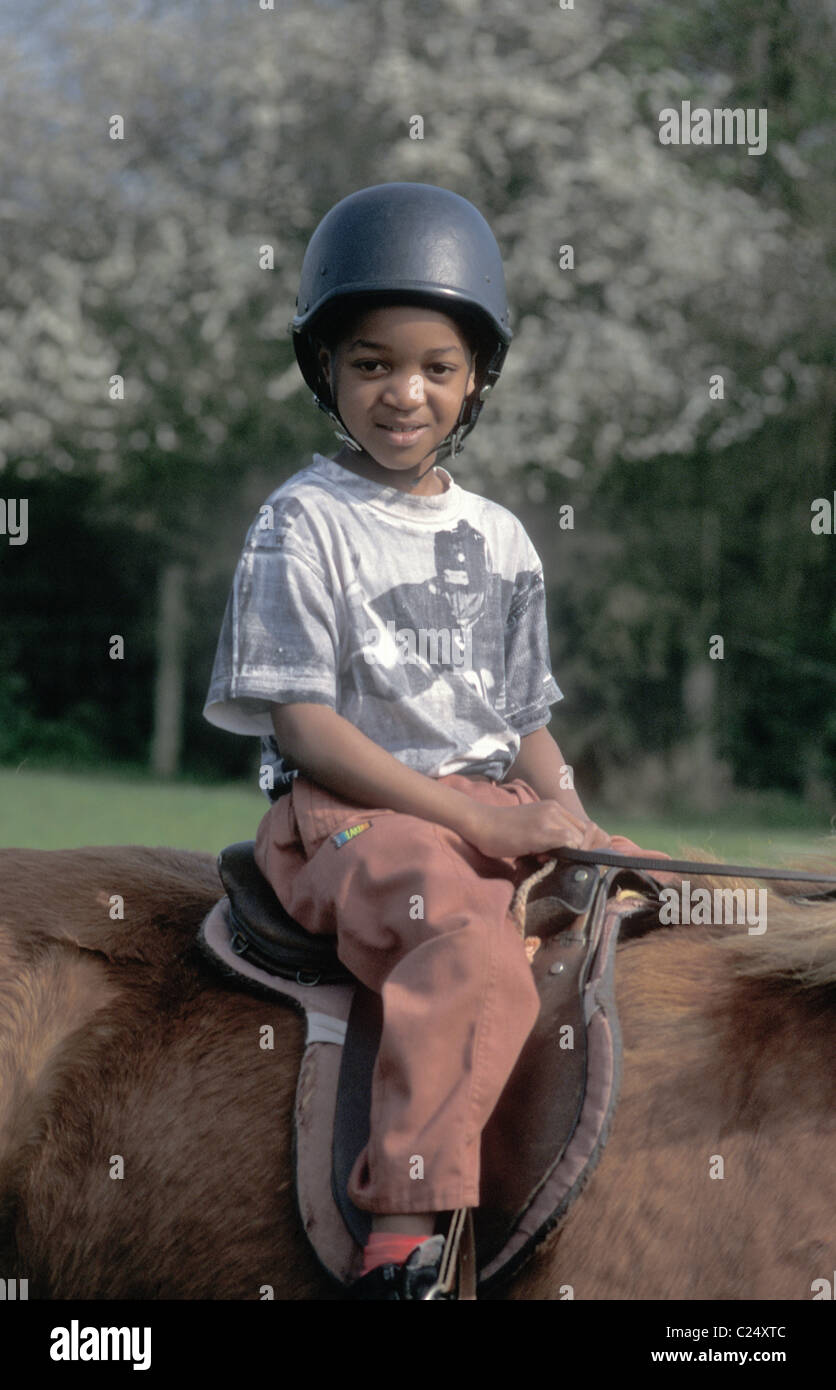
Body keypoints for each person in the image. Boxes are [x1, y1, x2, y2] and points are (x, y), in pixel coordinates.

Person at [204, 183, 669, 1299]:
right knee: (462, 946)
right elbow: (305, 727)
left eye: (434, 367)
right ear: (327, 372)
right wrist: (463, 812)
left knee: (645, 913)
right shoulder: (299, 523)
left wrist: (575, 817)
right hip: (350, 815)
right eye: (370, 364)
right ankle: (404, 1228)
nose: (401, 393)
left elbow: (522, 722)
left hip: (483, 797)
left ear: (474, 382)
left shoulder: (500, 537)